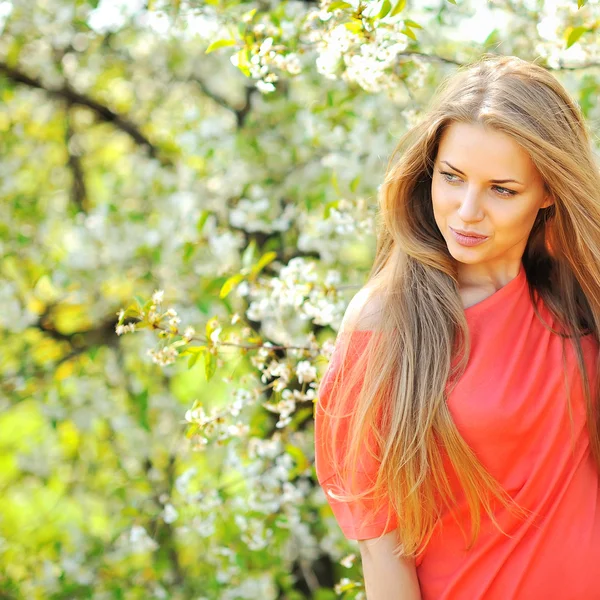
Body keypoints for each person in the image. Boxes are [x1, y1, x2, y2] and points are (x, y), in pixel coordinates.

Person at [313, 53, 600, 599]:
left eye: (502, 189)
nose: (467, 211)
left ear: (549, 194)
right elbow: (381, 546)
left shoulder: (577, 292)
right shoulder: (384, 323)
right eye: (452, 178)